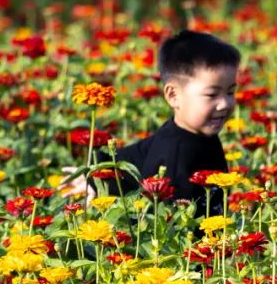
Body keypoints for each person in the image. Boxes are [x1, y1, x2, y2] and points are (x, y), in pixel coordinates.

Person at [58, 29, 240, 216]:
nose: (225, 104)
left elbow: (135, 154)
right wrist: (95, 178)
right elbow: (169, 228)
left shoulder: (192, 135)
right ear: (173, 95)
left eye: (230, 92)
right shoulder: (174, 157)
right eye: (212, 94)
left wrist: (98, 174)